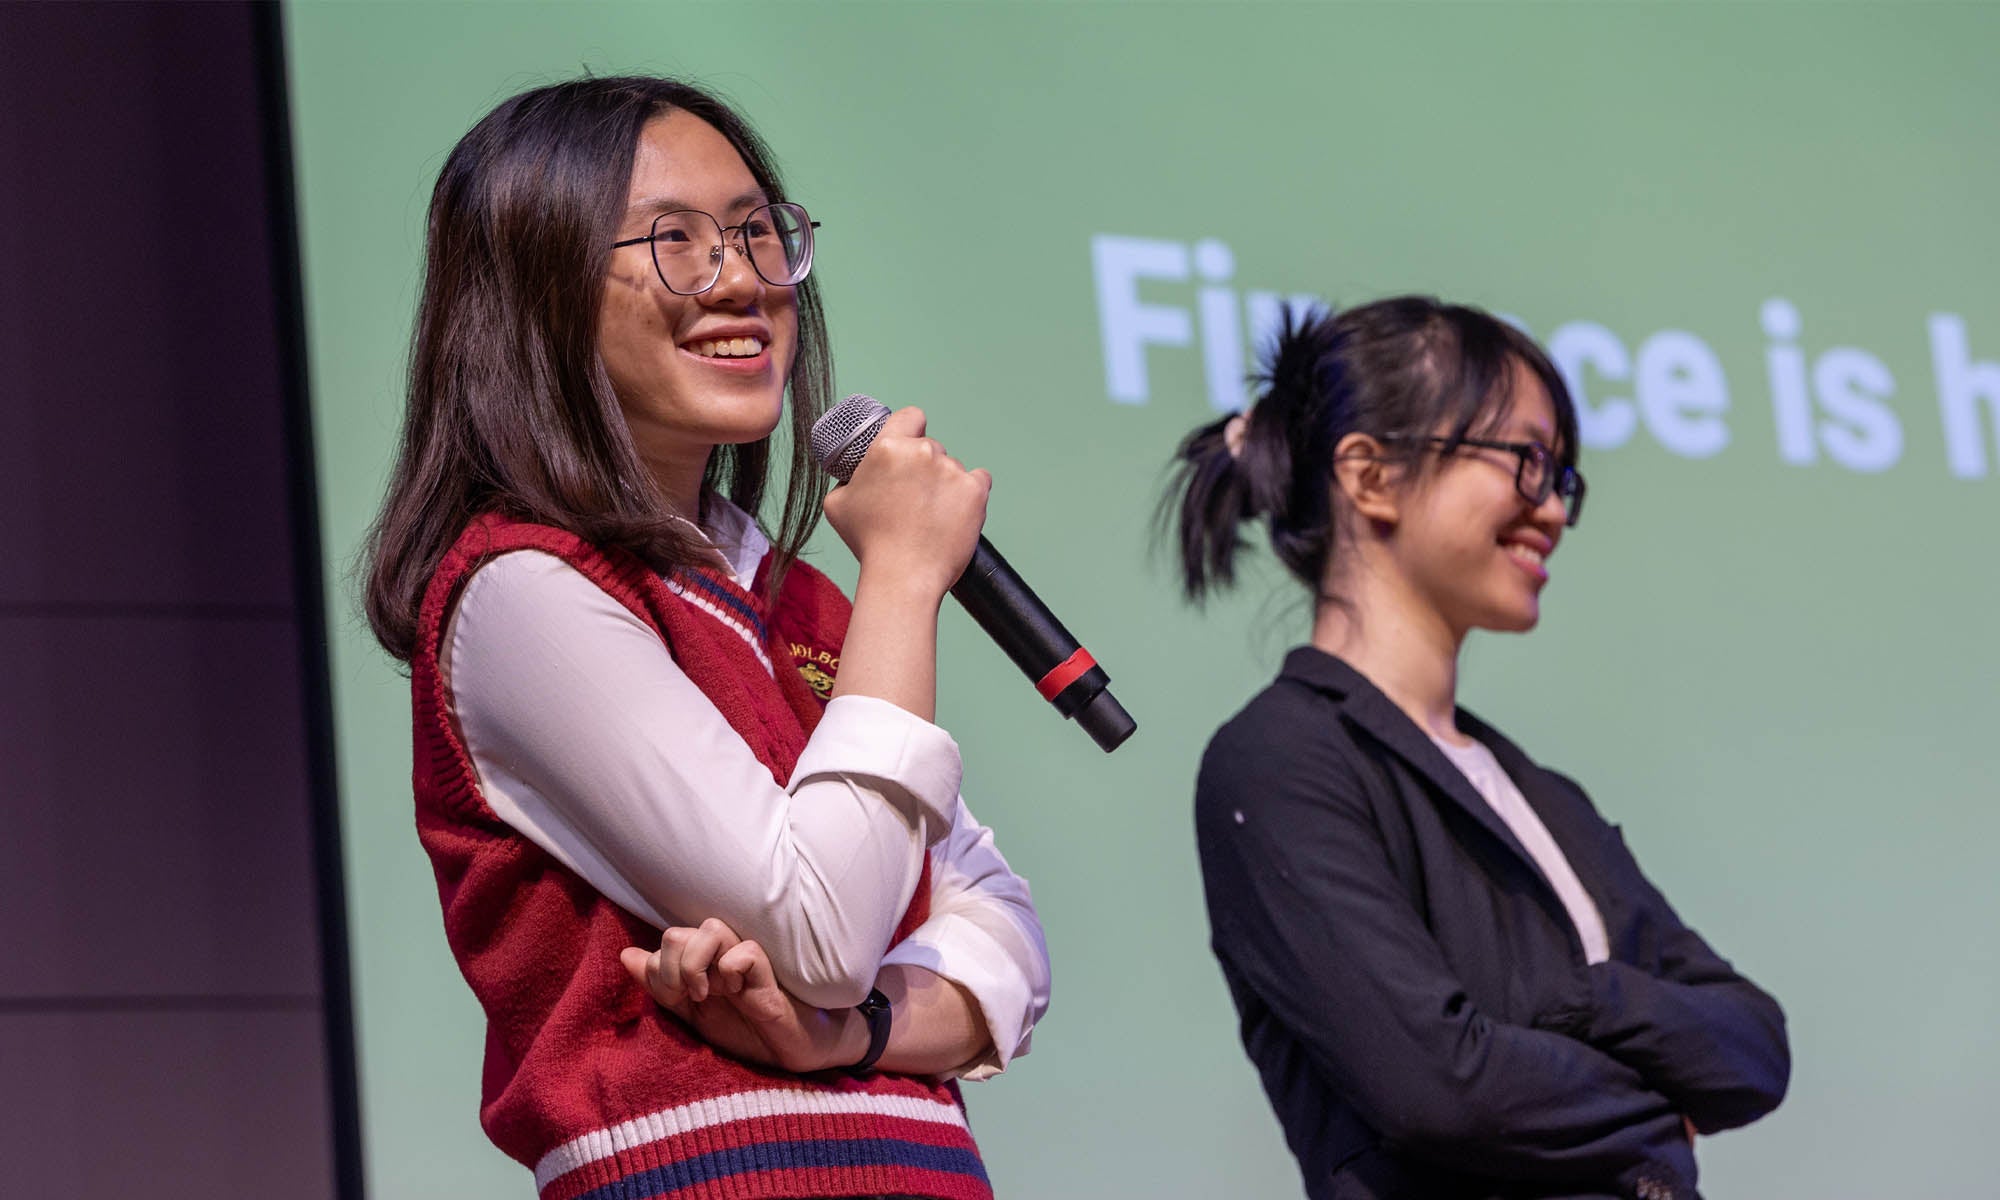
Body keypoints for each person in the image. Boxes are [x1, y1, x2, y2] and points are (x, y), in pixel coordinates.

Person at [364, 76, 1049, 1200]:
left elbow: (1009, 938)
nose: (740, 281)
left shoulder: (809, 606)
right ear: (534, 291)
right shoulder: (523, 588)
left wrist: (852, 1033)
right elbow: (822, 932)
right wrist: (906, 576)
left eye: (754, 233)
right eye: (672, 241)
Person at [1164, 297, 1788, 1200]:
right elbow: (1441, 1090)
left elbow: (1754, 1047)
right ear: (1371, 476)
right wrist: (1661, 1119)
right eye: (1526, 461)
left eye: (1563, 476)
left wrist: (1586, 1003)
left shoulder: (1542, 796)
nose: (1554, 510)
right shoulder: (1282, 759)